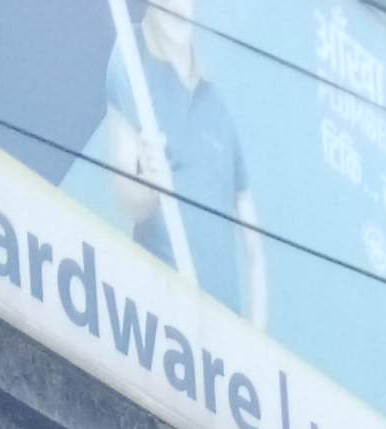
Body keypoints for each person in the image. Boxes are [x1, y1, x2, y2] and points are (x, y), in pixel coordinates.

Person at [89, 2, 265, 325]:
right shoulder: (132, 57)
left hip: (224, 328)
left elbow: (254, 249)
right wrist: (147, 181)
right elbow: (128, 198)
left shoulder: (218, 108)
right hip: (160, 312)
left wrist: (256, 341)